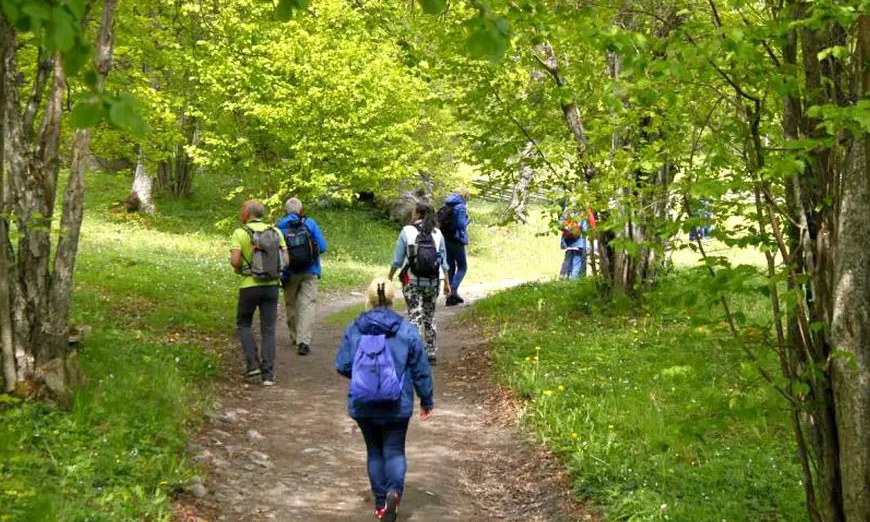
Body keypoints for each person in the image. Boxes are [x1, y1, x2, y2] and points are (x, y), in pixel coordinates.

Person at [334, 277, 434, 522]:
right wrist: (426, 399)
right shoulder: (406, 330)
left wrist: (364, 376)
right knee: (394, 450)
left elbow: (343, 365)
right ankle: (394, 493)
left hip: (363, 403)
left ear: (368, 298)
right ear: (392, 298)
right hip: (397, 404)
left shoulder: (355, 328)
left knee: (374, 451)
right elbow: (421, 368)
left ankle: (380, 504)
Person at [230, 200, 288, 386]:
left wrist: (242, 267)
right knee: (268, 329)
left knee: (244, 323)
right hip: (271, 286)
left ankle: (253, 365)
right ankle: (269, 375)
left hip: (249, 285)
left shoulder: (240, 233)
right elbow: (286, 259)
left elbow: (235, 261)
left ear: (247, 214)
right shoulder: (276, 232)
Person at [388, 202, 451, 363]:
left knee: (415, 315)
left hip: (412, 281)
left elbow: (397, 260)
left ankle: (414, 352)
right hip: (432, 281)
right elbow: (443, 261)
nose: (412, 214)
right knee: (430, 315)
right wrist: (447, 283)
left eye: (413, 212)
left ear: (417, 214)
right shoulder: (437, 233)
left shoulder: (407, 231)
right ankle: (431, 352)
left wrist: (390, 277)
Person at [276, 198, 328, 356]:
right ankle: (303, 341)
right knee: (307, 305)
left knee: (291, 304)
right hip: (310, 270)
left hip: (289, 272)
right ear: (300, 209)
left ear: (286, 210)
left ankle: (294, 335)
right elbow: (323, 247)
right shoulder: (309, 223)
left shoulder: (279, 226)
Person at [439, 188, 470, 306]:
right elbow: (460, 224)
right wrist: (467, 221)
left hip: (445, 238)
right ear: (465, 196)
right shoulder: (461, 206)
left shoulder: (446, 204)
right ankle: (453, 290)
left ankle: (450, 298)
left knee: (450, 265)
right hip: (456, 239)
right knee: (462, 266)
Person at [559, 204, 594, 280]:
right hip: (579, 242)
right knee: (577, 262)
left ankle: (563, 279)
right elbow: (588, 228)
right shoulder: (584, 210)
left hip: (568, 241)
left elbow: (560, 224)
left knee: (567, 260)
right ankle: (574, 282)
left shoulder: (568, 209)